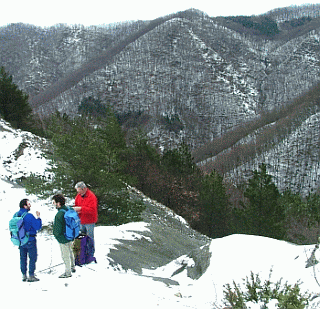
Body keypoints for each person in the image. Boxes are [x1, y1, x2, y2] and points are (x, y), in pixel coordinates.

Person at [17, 199, 42, 282]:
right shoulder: (29, 216)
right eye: (28, 204)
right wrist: (38, 217)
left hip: (20, 240)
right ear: (25, 206)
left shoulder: (16, 215)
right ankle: (31, 275)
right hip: (30, 239)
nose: (30, 205)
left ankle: (24, 275)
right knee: (32, 257)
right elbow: (37, 226)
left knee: (23, 258)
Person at [52, 194, 76, 278]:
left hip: (63, 238)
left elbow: (57, 230)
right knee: (70, 252)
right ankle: (73, 267)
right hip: (71, 235)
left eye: (54, 202)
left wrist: (58, 237)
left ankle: (68, 272)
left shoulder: (59, 214)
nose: (53, 204)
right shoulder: (69, 209)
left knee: (65, 255)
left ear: (58, 203)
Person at [73, 182, 98, 252]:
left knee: (90, 238)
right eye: (77, 191)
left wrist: (80, 209)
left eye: (79, 190)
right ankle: (83, 252)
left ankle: (91, 253)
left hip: (89, 221)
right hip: (81, 220)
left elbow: (92, 210)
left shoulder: (91, 196)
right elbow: (76, 205)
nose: (78, 192)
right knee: (81, 238)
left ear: (84, 189)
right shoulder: (78, 196)